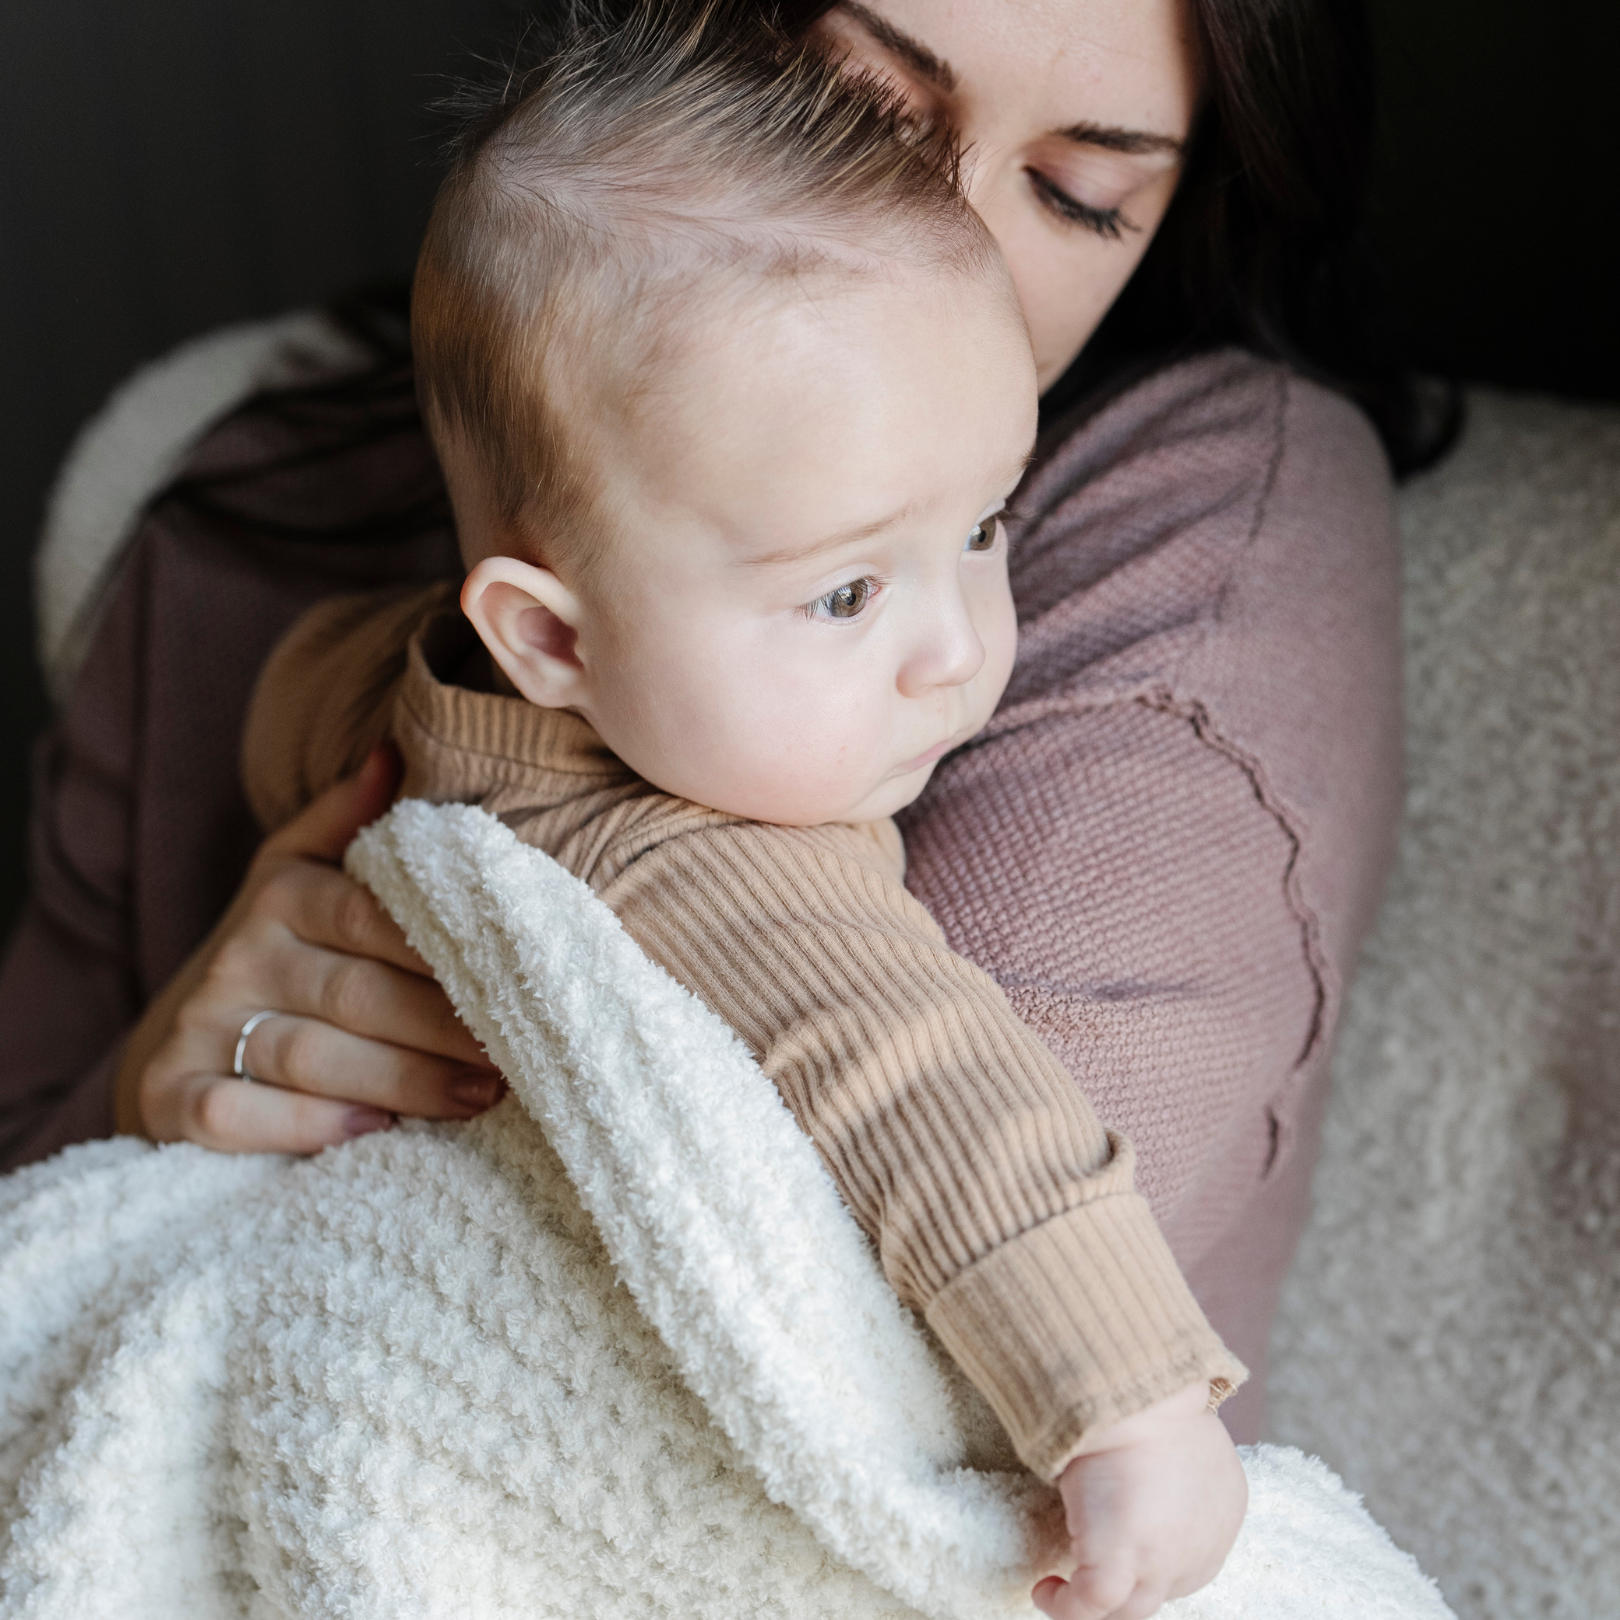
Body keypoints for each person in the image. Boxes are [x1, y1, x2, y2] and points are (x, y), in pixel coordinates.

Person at [0, 0, 1423, 1473]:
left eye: (1081, 196)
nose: (948, 256)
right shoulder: (268, 535)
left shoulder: (1207, 519)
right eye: (861, 116)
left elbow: (888, 1330)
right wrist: (152, 1088)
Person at [237, 17, 1249, 1613]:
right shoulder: (712, 857)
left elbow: (298, 698)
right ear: (551, 637)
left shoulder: (407, 677)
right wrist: (1129, 1411)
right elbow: (931, 1083)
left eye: (984, 525)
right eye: (846, 590)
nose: (959, 645)